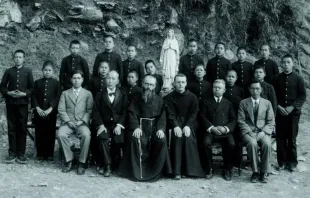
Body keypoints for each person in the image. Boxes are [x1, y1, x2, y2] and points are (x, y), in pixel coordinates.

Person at [118, 75, 170, 181]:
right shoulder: (136, 99)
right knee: (135, 139)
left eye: (151, 85)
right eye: (146, 84)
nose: (148, 87)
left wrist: (160, 129)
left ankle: (156, 171)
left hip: (154, 128)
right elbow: (131, 114)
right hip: (140, 128)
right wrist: (136, 127)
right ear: (142, 84)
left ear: (155, 86)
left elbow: (162, 117)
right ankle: (137, 171)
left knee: (162, 140)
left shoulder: (160, 100)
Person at [164, 74, 204, 180]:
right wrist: (175, 126)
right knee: (177, 137)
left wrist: (188, 126)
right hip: (175, 124)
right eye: (178, 82)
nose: (180, 84)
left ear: (186, 83)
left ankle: (189, 171)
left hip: (189, 123)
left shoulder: (192, 97)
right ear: (174, 83)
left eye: (182, 82)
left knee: (188, 137)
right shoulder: (168, 98)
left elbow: (194, 113)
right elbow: (169, 114)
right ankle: (176, 171)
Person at [0, 50, 34, 164]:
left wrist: (24, 94)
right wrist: (9, 93)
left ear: (24, 59)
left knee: (22, 128)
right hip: (11, 104)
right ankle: (12, 153)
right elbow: (2, 87)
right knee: (12, 127)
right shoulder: (9, 71)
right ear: (13, 59)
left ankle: (21, 153)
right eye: (16, 57)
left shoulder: (28, 71)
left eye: (20, 57)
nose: (18, 59)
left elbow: (32, 87)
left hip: (23, 104)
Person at [274, 54, 306, 172]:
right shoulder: (277, 78)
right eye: (284, 62)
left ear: (293, 64)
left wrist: (292, 107)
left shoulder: (298, 78)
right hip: (280, 113)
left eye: (288, 62)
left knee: (291, 138)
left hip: (293, 114)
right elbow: (274, 95)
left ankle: (292, 162)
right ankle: (281, 162)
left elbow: (302, 95)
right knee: (280, 138)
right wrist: (278, 107)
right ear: (281, 64)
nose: (286, 64)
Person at [238, 80, 275, 183]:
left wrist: (263, 132)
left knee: (267, 144)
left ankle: (264, 172)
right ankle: (255, 172)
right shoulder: (243, 103)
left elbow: (271, 121)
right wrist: (250, 132)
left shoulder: (267, 103)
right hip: (249, 132)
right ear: (249, 90)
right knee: (252, 143)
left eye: (257, 88)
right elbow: (241, 121)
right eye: (253, 88)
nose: (255, 91)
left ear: (261, 90)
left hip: (262, 131)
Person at [92, 71, 128, 177]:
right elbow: (95, 111)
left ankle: (113, 161)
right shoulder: (99, 94)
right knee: (103, 138)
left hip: (117, 125)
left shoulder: (123, 94)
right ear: (105, 80)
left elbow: (125, 111)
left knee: (119, 139)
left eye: (113, 79)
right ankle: (108, 165)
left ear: (117, 81)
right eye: (108, 78)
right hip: (105, 124)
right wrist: (101, 125)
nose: (110, 80)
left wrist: (119, 125)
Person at [57, 70, 93, 175]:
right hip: (68, 123)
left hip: (81, 123)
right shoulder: (65, 93)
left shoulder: (87, 94)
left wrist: (82, 121)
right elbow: (61, 109)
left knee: (87, 135)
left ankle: (82, 162)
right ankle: (69, 160)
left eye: (78, 78)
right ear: (71, 80)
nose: (76, 80)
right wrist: (68, 121)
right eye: (74, 78)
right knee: (61, 134)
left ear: (82, 80)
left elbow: (89, 110)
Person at [200, 79, 236, 181]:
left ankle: (227, 168)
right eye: (215, 87)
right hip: (211, 131)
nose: (217, 89)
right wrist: (212, 128)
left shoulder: (228, 103)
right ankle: (209, 168)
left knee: (231, 144)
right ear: (212, 89)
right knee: (206, 143)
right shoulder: (206, 102)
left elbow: (233, 119)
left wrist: (225, 128)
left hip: (224, 132)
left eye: (219, 88)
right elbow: (202, 117)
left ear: (224, 90)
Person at [31, 61, 61, 161]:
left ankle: (49, 154)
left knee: (50, 132)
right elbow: (33, 96)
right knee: (39, 132)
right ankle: (40, 154)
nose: (47, 72)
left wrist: (50, 109)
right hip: (39, 112)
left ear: (53, 71)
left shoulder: (56, 83)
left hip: (51, 113)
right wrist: (37, 108)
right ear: (42, 71)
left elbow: (57, 97)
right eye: (45, 70)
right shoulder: (37, 82)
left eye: (49, 70)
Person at [224, 69, 245, 168]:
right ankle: (228, 163)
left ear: (236, 78)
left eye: (233, 77)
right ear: (225, 77)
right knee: (228, 141)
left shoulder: (240, 90)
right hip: (225, 119)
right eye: (229, 76)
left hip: (237, 118)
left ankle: (238, 162)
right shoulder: (223, 89)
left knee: (238, 140)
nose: (230, 79)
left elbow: (244, 105)